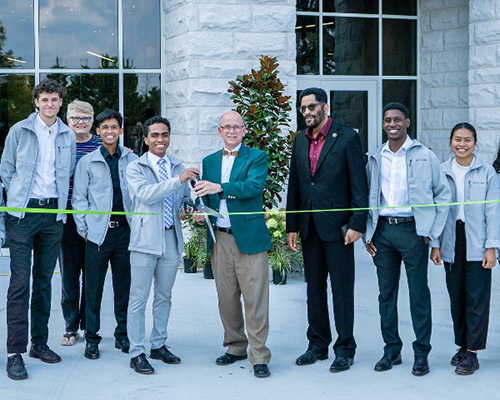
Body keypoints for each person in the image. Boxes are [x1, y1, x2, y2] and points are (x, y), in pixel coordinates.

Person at [365, 102, 451, 376]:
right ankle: (391, 350)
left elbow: (443, 194)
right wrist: (369, 232)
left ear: (407, 122)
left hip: (414, 231)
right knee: (386, 294)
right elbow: (367, 196)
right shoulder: (374, 157)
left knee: (418, 294)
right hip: (383, 233)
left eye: (398, 120)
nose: (393, 124)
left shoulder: (425, 155)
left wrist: (432, 234)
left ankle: (421, 353)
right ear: (383, 124)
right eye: (388, 120)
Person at [286, 87, 368, 373]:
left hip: (340, 230)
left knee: (342, 291)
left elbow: (360, 184)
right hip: (308, 227)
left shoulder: (347, 138)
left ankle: (345, 348)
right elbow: (295, 184)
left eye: (312, 107)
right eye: (303, 108)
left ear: (325, 107)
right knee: (314, 290)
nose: (307, 112)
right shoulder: (299, 141)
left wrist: (358, 223)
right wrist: (292, 226)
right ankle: (318, 344)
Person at [0, 78, 76, 380]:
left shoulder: (67, 135)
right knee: (20, 283)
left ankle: (39, 343)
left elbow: (67, 171)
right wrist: (20, 196)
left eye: (55, 99)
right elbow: (7, 170)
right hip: (23, 214)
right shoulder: (20, 130)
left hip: (52, 215)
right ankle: (14, 352)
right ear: (36, 102)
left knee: (44, 281)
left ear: (60, 102)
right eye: (44, 99)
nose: (50, 104)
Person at [193, 110, 273, 378]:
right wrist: (199, 209)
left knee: (255, 298)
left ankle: (259, 355)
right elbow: (204, 196)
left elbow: (252, 186)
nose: (231, 131)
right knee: (226, 298)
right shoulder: (210, 160)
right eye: (226, 127)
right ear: (219, 131)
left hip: (249, 238)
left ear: (244, 130)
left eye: (236, 127)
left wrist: (220, 188)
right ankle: (235, 346)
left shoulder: (256, 157)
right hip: (220, 238)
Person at [126, 116, 199, 374]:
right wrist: (178, 181)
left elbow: (181, 199)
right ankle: (137, 352)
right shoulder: (135, 167)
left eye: (164, 135)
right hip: (145, 240)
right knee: (138, 299)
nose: (160, 140)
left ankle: (158, 344)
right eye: (154, 135)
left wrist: (190, 207)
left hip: (171, 238)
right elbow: (146, 194)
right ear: (145, 139)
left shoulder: (177, 165)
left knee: (164, 297)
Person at [430, 123, 499, 375]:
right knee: (456, 296)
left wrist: (491, 247)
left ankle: (473, 352)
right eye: (457, 139)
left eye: (467, 140)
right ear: (450, 142)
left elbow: (493, 212)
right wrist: (435, 243)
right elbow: (436, 209)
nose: (462, 144)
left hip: (478, 240)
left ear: (475, 143)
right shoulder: (441, 170)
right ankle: (463, 345)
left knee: (477, 298)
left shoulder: (487, 172)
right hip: (451, 239)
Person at [72, 109, 137, 360]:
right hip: (98, 235)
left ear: (121, 131)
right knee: (93, 288)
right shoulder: (87, 162)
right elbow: (79, 200)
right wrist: (85, 229)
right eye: (105, 127)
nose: (109, 131)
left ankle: (123, 334)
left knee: (124, 287)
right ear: (98, 132)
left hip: (126, 234)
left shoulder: (133, 161)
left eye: (114, 127)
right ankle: (92, 338)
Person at [60, 100, 101, 346]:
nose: (80, 122)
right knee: (69, 274)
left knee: (92, 274)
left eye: (85, 118)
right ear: (68, 120)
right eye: (76, 118)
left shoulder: (100, 146)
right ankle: (70, 326)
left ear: (92, 121)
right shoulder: (61, 143)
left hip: (93, 218)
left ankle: (88, 324)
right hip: (66, 217)